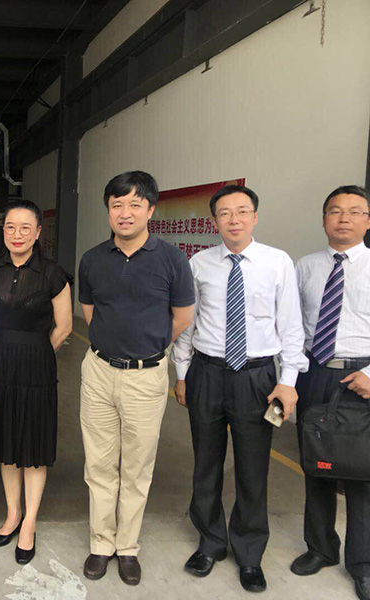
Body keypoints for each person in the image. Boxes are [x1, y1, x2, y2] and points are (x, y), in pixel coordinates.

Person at [172, 184, 307, 593]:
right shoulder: (199, 263)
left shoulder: (277, 262)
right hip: (207, 372)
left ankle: (249, 553)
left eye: (242, 211)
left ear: (255, 217)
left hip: (257, 377)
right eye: (225, 213)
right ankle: (210, 542)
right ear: (214, 220)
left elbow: (291, 326)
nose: (234, 219)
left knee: (253, 468)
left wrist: (288, 382)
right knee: (205, 463)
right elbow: (188, 323)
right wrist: (182, 373)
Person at [78, 171, 195, 585]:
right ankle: (101, 543)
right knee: (99, 463)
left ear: (150, 209)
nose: (125, 213)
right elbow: (90, 313)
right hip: (98, 371)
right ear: (108, 210)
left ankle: (126, 547)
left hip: (146, 377)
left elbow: (183, 317)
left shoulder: (172, 260)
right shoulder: (93, 259)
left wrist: (149, 344)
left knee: (137, 465)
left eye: (134, 204)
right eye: (117, 205)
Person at [0, 200, 73, 565]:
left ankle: (29, 522)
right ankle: (12, 514)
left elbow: (64, 326)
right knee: (7, 443)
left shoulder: (53, 273)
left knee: (32, 445)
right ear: (3, 231)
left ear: (37, 233)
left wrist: (36, 353)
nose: (17, 234)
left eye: (25, 228)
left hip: (36, 368)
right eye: (10, 227)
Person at [292, 185, 370, 600]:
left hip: (362, 378)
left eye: (355, 211)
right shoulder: (305, 266)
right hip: (315, 373)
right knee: (317, 461)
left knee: (362, 470)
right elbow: (292, 323)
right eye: (335, 211)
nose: (344, 218)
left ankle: (363, 562)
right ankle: (320, 548)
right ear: (323, 219)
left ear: (367, 221)